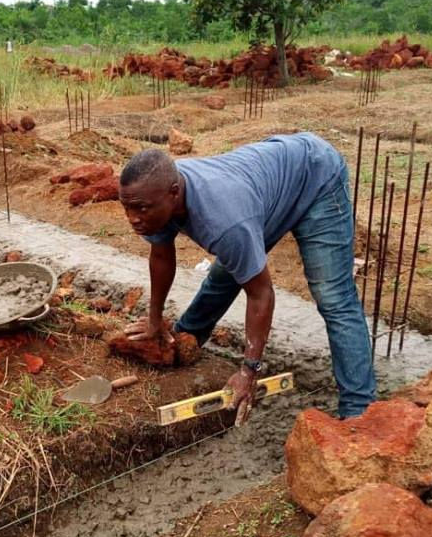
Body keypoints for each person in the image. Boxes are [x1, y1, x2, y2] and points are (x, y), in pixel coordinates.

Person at [118, 133, 376, 422]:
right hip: (265, 188)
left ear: (174, 193)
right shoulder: (153, 197)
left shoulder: (224, 221)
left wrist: (249, 370)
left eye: (139, 209)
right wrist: (154, 321)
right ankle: (187, 336)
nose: (132, 218)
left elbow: (261, 293)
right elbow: (162, 257)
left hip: (315, 178)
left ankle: (359, 410)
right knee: (225, 272)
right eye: (126, 207)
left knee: (334, 298)